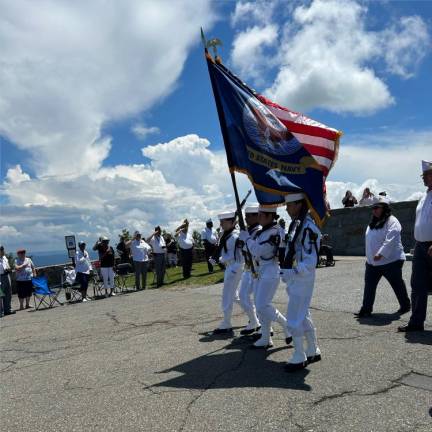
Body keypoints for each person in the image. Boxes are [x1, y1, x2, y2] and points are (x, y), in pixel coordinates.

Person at [239, 206, 291, 349]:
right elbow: (251, 251)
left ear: (270, 216)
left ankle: (286, 325)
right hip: (259, 271)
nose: (259, 216)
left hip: (270, 271)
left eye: (261, 214)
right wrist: (244, 241)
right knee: (260, 306)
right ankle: (266, 337)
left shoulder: (274, 232)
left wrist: (247, 239)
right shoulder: (262, 232)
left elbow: (260, 251)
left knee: (262, 305)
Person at [280, 193, 321, 372]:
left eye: (289, 205)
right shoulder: (297, 225)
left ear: (299, 204)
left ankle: (299, 355)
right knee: (302, 314)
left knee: (294, 317)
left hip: (302, 277)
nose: (287, 209)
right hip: (295, 277)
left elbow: (311, 260)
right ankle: (312, 349)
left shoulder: (308, 228)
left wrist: (294, 270)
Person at [355, 197, 410, 318]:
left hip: (391, 261)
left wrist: (381, 253)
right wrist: (370, 257)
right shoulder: (373, 223)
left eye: (376, 208)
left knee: (397, 284)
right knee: (369, 286)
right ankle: (366, 309)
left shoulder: (392, 221)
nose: (373, 211)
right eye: (372, 208)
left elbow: (392, 238)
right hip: (372, 263)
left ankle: (405, 305)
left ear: (384, 208)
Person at [398, 160, 432, 332]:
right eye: (424, 175)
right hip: (420, 246)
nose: (424, 178)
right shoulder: (424, 196)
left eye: (426, 175)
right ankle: (416, 322)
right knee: (417, 285)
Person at [211, 211, 244, 334]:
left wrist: (220, 259)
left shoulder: (234, 236)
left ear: (232, 222)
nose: (221, 224)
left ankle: (226, 323)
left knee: (226, 296)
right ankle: (254, 316)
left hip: (234, 267)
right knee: (235, 297)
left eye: (223, 222)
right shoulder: (226, 235)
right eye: (220, 222)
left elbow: (238, 256)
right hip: (230, 267)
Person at [238, 205, 261, 336]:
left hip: (257, 268)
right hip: (248, 268)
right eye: (245, 216)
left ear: (255, 216)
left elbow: (254, 250)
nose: (246, 219)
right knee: (243, 296)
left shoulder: (258, 231)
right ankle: (254, 321)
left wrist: (245, 239)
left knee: (259, 300)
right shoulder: (248, 230)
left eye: (248, 216)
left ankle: (264, 328)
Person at [0, 246, 15, 315]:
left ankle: (7, 310)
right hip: (0, 277)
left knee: (8, 293)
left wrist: (9, 269)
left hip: (6, 276)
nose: (3, 251)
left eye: (3, 250)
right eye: (2, 250)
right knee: (0, 294)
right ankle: (1, 312)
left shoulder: (4, 257)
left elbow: (7, 265)